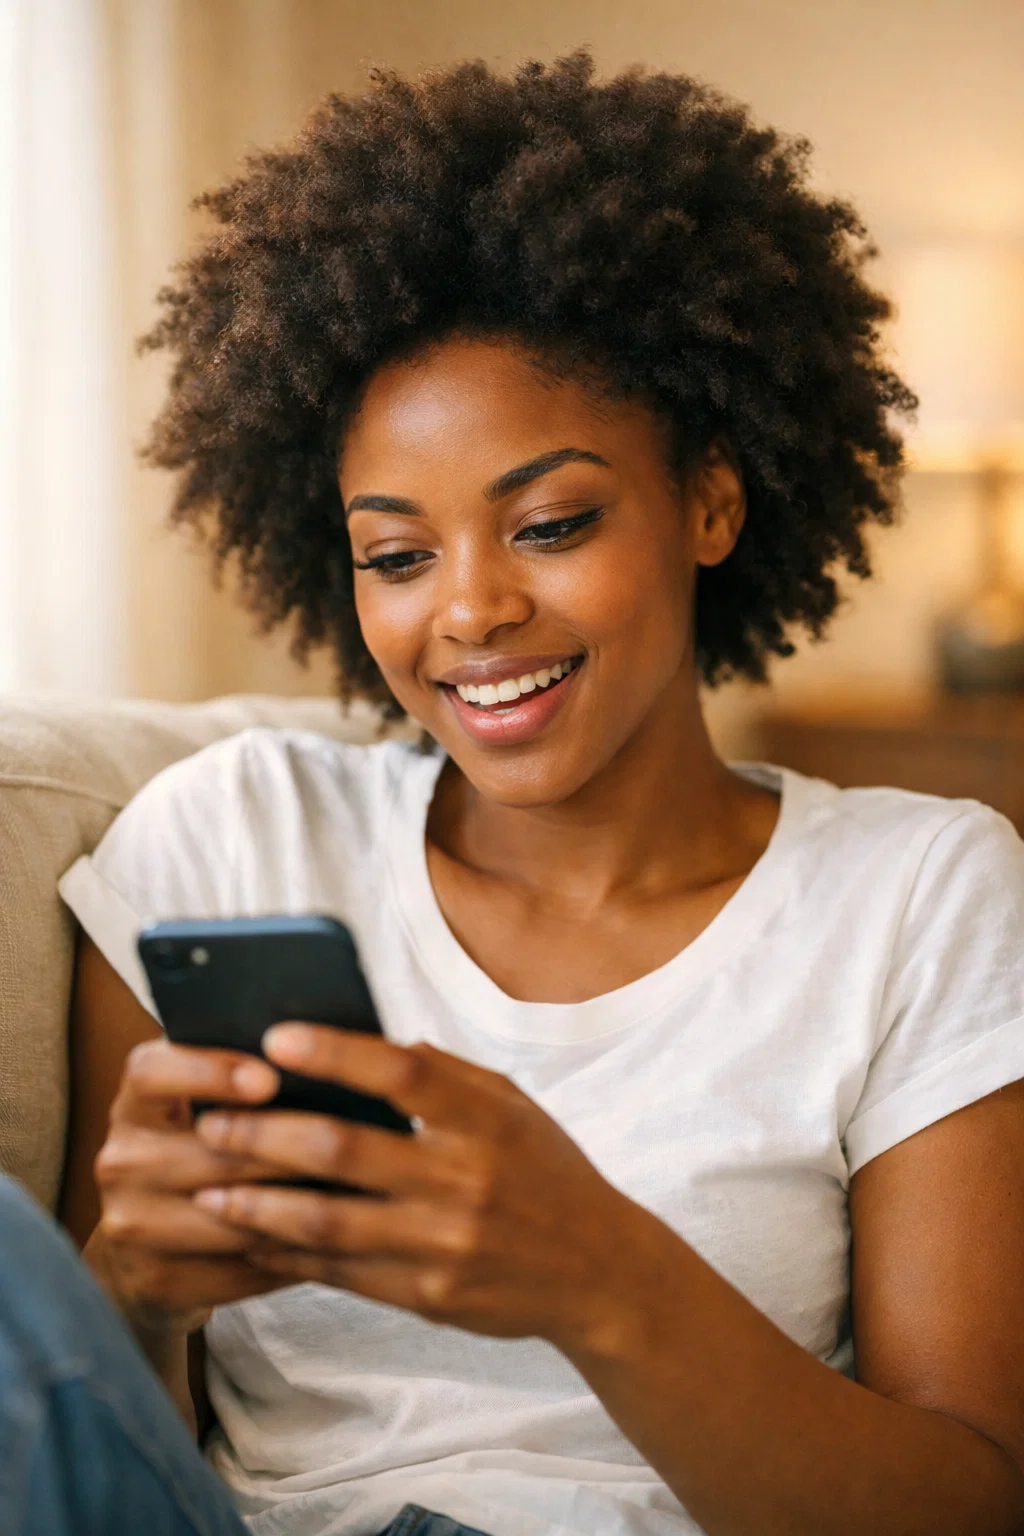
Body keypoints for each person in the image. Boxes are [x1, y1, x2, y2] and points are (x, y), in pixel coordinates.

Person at [10, 48, 1021, 1536]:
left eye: (549, 522)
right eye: (398, 555)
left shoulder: (918, 891)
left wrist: (596, 1277)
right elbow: (118, 1454)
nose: (469, 614)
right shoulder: (226, 838)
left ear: (712, 502)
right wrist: (134, 1299)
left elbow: (970, 1497)